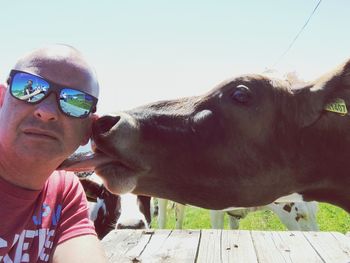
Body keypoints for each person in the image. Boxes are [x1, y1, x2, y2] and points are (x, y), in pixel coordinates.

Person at [0, 44, 107, 262]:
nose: (47, 112)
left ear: (88, 130)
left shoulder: (63, 191)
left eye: (75, 102)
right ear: (1, 100)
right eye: (29, 87)